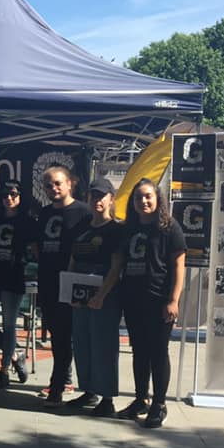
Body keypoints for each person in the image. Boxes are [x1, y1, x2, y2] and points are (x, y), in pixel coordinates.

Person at [92, 178, 186, 428]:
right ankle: (140, 399)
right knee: (140, 352)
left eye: (147, 196)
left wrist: (173, 300)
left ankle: (159, 404)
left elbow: (179, 265)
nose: (143, 201)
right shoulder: (129, 229)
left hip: (159, 301)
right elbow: (118, 264)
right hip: (133, 299)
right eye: (138, 198)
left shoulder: (170, 227)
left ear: (157, 199)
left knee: (158, 352)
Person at [67, 178, 125, 417]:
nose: (97, 200)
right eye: (93, 196)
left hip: (105, 293)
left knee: (104, 345)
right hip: (80, 290)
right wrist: (69, 289)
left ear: (111, 198)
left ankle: (107, 397)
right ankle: (89, 390)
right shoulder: (82, 226)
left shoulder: (116, 230)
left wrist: (102, 295)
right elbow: (73, 258)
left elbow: (116, 266)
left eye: (102, 196)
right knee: (82, 343)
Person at [37, 165, 90, 406]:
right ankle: (62, 381)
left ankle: (58, 386)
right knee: (57, 337)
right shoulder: (44, 213)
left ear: (70, 183)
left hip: (72, 283)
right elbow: (38, 245)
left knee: (68, 336)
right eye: (48, 185)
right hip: (47, 282)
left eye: (58, 183)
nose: (53, 188)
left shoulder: (84, 212)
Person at [0, 181, 37, 389]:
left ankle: (3, 371)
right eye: (5, 195)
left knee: (10, 324)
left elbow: (35, 250)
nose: (9, 198)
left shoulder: (28, 222)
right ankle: (15, 354)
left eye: (13, 194)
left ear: (21, 197)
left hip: (13, 276)